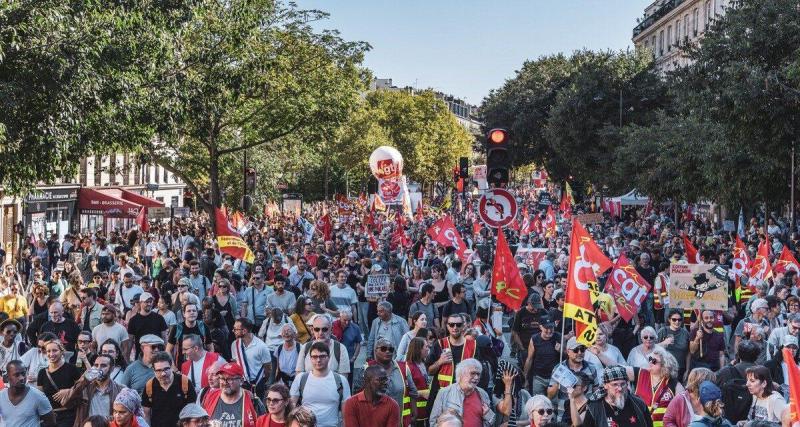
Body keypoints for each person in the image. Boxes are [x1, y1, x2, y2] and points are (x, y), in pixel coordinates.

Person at [357, 338, 418, 425]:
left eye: (391, 349)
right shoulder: (366, 369)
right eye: (383, 349)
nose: (387, 351)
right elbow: (357, 396)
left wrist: (414, 412)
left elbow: (413, 392)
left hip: (399, 422)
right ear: (375, 351)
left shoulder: (403, 368)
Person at [289, 341, 351, 427]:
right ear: (310, 358)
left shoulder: (341, 380)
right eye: (314, 357)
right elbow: (291, 406)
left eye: (322, 356)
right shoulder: (301, 378)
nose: (318, 360)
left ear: (329, 357)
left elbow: (346, 414)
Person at [429, 358, 495, 427]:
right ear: (461, 374)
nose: (476, 377)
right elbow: (433, 422)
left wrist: (488, 414)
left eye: (478, 374)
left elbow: (491, 422)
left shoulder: (483, 394)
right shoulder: (444, 393)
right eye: (472, 373)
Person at [547, 337, 600, 419]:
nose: (579, 353)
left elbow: (596, 389)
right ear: (568, 352)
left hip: (586, 411)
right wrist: (558, 382)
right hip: (564, 413)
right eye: (575, 350)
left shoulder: (591, 367)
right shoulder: (559, 369)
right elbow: (550, 395)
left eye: (582, 349)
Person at [65, 353, 125, 425]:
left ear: (112, 369)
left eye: (103, 366)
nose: (98, 368)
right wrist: (84, 381)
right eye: (96, 365)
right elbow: (67, 403)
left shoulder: (120, 390)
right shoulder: (84, 387)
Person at [583, 365, 652, 427]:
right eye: (615, 384)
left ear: (627, 383)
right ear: (605, 385)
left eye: (623, 384)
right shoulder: (595, 408)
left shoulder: (639, 404)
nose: (620, 388)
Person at [141, 351, 197, 427]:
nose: (163, 374)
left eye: (166, 369)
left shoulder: (185, 383)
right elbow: (146, 415)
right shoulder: (149, 386)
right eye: (159, 370)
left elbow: (193, 413)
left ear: (171, 367)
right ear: (153, 370)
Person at [200, 362, 265, 427]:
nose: (225, 383)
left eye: (229, 379)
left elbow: (263, 423)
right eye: (222, 378)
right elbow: (201, 422)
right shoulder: (210, 397)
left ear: (241, 381)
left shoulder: (252, 400)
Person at [38, 340, 82, 427]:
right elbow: (40, 397)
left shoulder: (72, 369)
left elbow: (81, 388)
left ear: (62, 351)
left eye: (55, 350)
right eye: (48, 351)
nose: (51, 354)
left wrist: (69, 391)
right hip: (48, 417)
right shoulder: (42, 372)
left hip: (68, 415)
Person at [0, 360, 56, 427]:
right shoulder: (1, 396)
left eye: (23, 374)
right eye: (16, 375)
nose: (22, 378)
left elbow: (51, 423)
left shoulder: (38, 396)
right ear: (7, 377)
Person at [231, 318, 272, 396]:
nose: (233, 331)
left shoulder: (261, 346)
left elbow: (268, 368)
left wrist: (263, 381)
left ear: (244, 331)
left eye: (235, 329)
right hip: (241, 383)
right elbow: (235, 363)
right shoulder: (234, 345)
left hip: (258, 383)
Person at [523, 316, 560, 396]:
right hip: (538, 377)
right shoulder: (534, 339)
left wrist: (561, 350)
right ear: (540, 327)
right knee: (539, 401)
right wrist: (525, 378)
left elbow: (568, 355)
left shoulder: (558, 337)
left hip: (555, 378)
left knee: (553, 402)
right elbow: (529, 359)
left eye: (551, 328)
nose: (549, 331)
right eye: (546, 328)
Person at [127, 292, 168, 359]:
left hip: (157, 356)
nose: (149, 304)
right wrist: (127, 357)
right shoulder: (133, 320)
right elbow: (130, 341)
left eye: (150, 302)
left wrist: (166, 355)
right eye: (146, 302)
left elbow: (165, 338)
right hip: (141, 357)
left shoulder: (159, 318)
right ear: (140, 303)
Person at [659, 308, 692, 379]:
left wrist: (687, 370)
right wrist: (663, 343)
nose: (677, 322)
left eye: (679, 320)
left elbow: (688, 353)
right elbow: (653, 348)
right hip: (665, 368)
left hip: (681, 368)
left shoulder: (685, 333)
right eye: (674, 319)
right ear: (669, 320)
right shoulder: (663, 331)